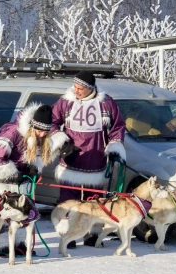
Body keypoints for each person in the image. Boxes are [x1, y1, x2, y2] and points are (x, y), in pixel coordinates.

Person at [50, 71, 126, 246]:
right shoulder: (66, 102)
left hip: (95, 160)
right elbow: (52, 122)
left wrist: (114, 147)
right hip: (71, 159)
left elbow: (117, 126)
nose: (76, 91)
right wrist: (62, 141)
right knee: (68, 201)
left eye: (80, 89)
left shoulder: (106, 103)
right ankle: (66, 234)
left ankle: (92, 234)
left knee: (94, 201)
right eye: (75, 87)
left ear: (90, 88)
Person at [0, 103, 54, 252]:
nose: (42, 134)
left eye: (45, 131)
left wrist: (33, 169)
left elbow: (35, 157)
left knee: (22, 209)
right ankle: (4, 245)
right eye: (39, 130)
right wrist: (13, 175)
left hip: (19, 177)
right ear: (32, 126)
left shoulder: (42, 138)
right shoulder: (12, 131)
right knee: (5, 210)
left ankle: (19, 243)